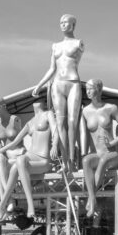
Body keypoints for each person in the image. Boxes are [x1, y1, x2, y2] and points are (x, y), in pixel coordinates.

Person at [0, 99, 57, 220]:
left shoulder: (48, 114)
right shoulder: (30, 122)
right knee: (6, 167)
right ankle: (3, 204)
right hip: (32, 155)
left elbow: (55, 130)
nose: (35, 104)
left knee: (20, 160)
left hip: (43, 160)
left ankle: (29, 205)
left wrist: (56, 145)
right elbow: (15, 142)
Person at [33, 13, 84, 169]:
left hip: (73, 82)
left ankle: (72, 158)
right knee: (60, 122)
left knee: (72, 122)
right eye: (61, 23)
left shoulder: (78, 43)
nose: (63, 25)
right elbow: (52, 69)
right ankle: (66, 161)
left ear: (73, 25)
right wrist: (39, 85)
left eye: (66, 22)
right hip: (57, 84)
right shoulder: (55, 46)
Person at [80, 79, 118, 216]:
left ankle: (91, 200)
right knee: (86, 161)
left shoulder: (111, 108)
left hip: (111, 154)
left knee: (103, 162)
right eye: (86, 89)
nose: (88, 91)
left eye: (90, 88)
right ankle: (92, 198)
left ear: (98, 89)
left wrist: (113, 143)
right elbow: (83, 133)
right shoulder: (85, 111)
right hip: (97, 153)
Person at [0, 96, 24, 198]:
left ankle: (6, 197)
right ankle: (8, 196)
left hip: (18, 153)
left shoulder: (15, 119)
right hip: (7, 156)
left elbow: (19, 140)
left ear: (4, 106)